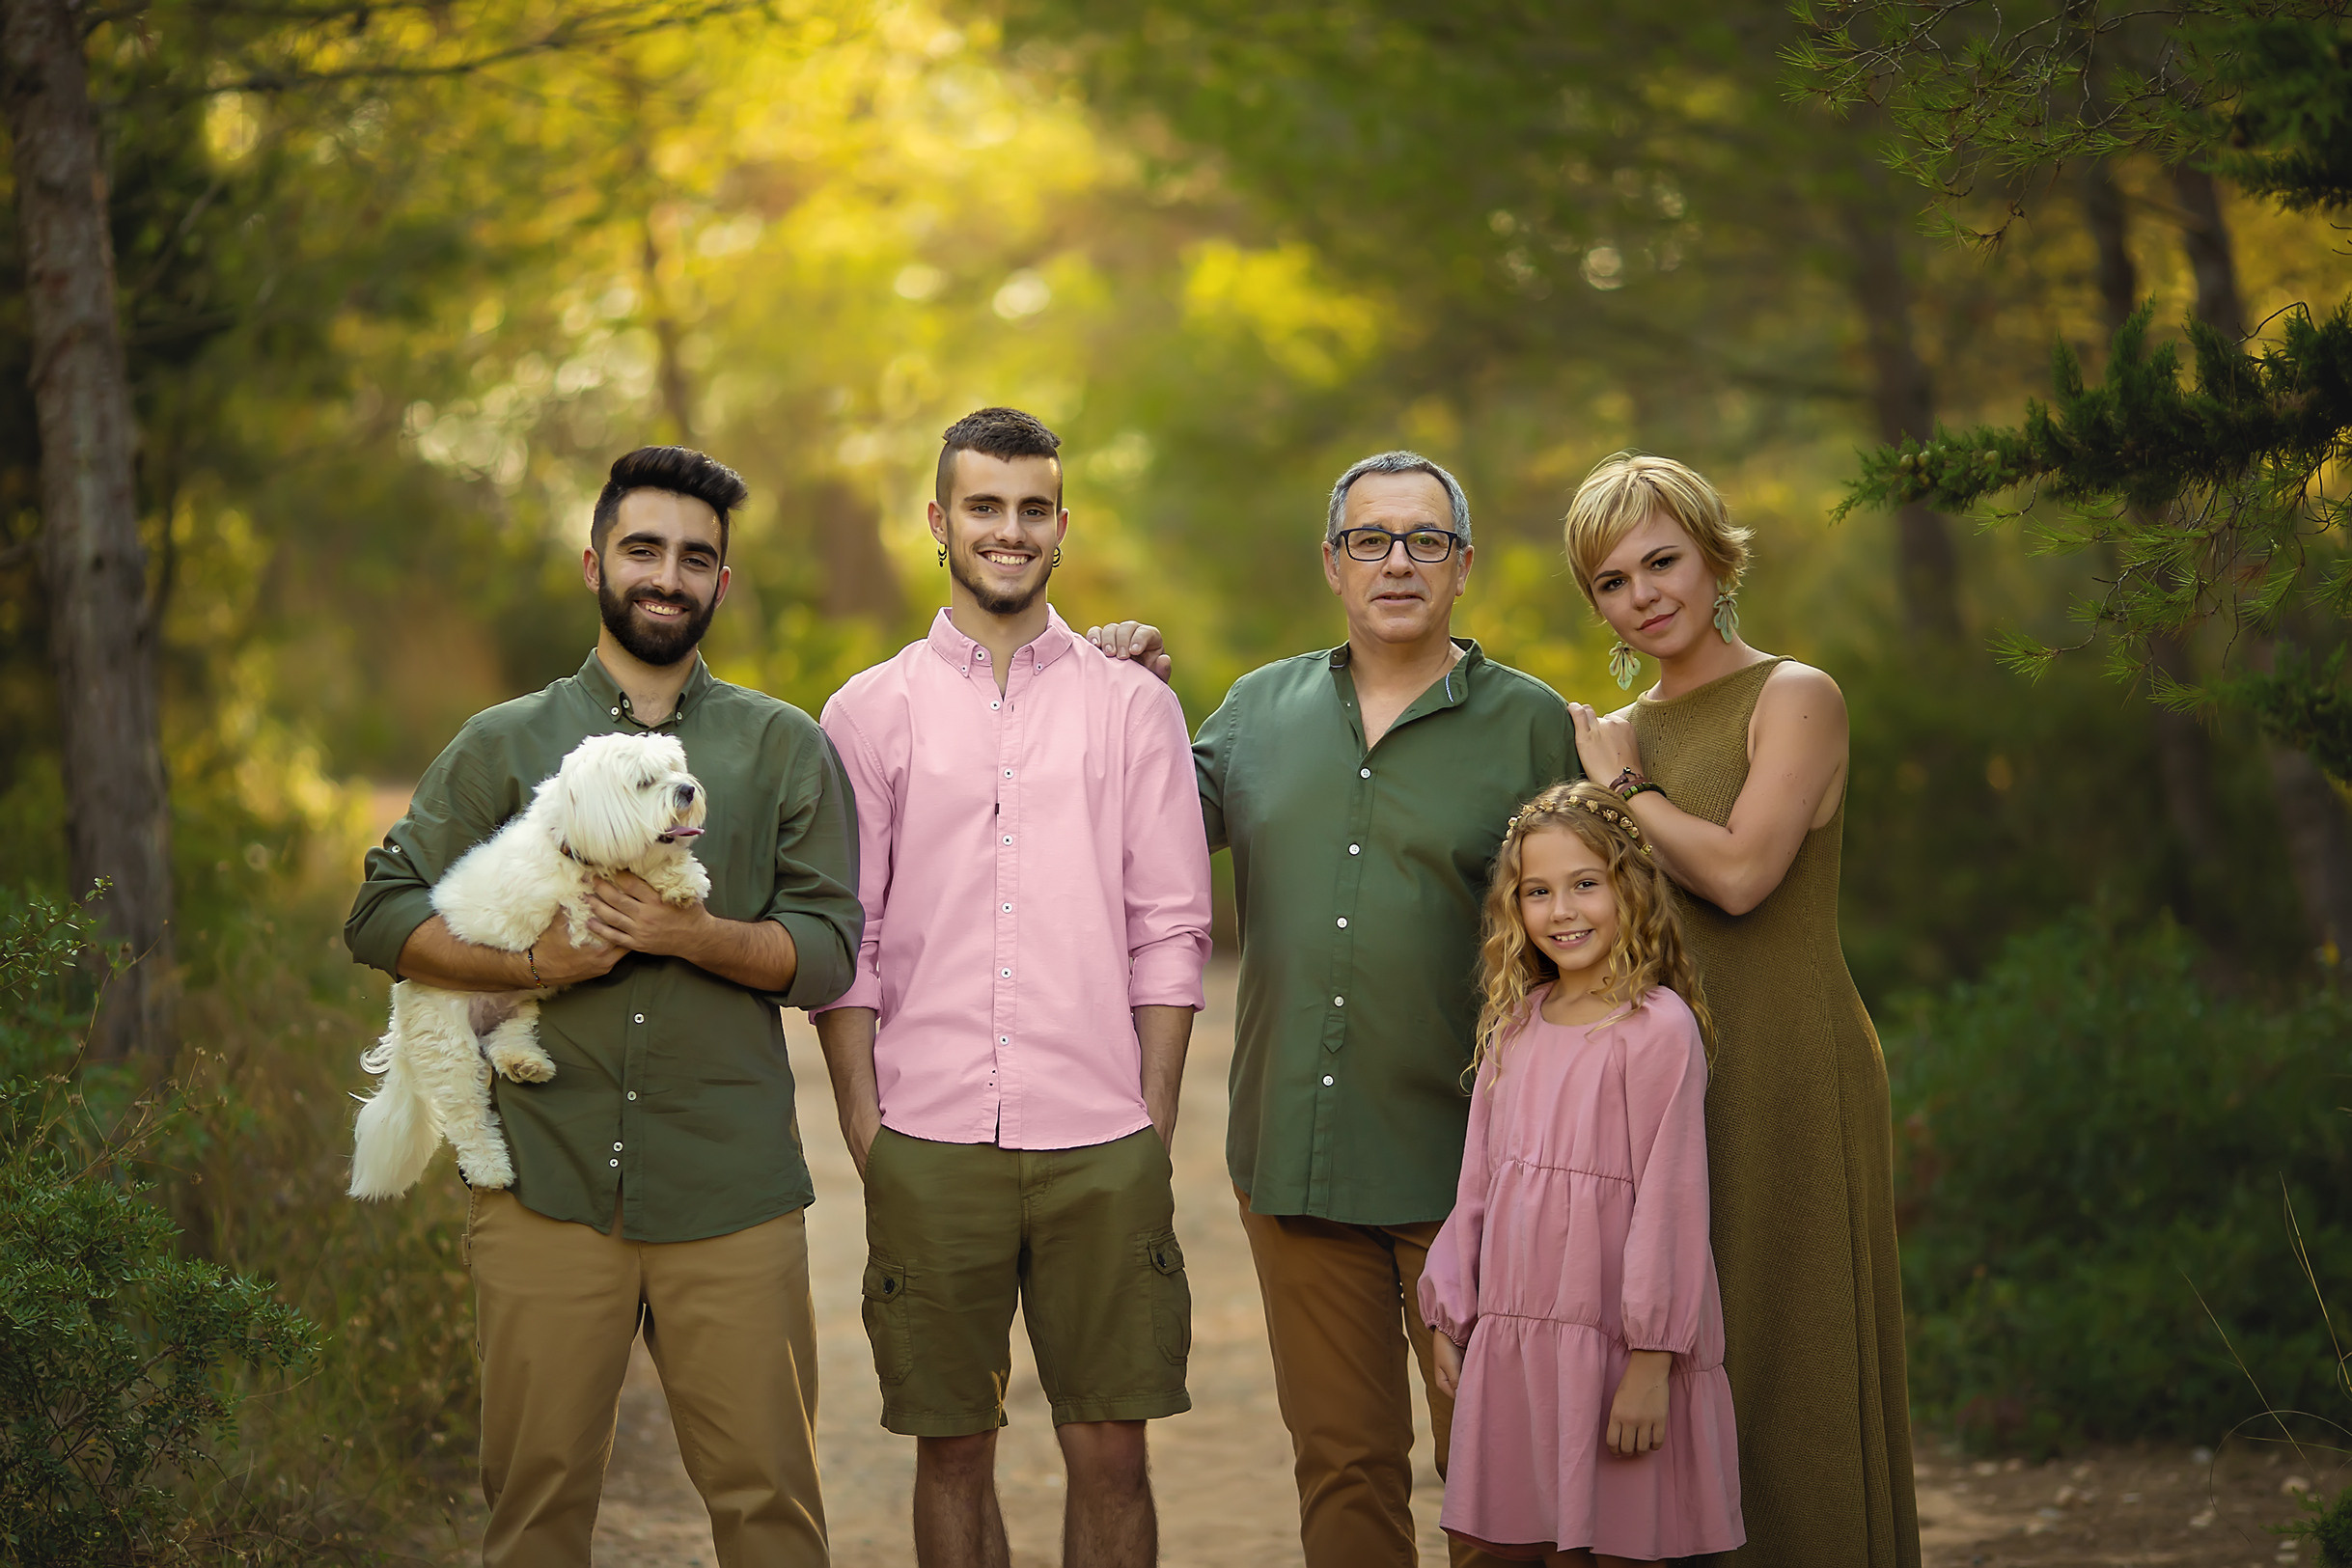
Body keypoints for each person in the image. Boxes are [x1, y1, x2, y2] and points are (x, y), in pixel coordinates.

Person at [344, 446, 861, 1568]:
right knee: (533, 1514)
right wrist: (532, 965)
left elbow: (826, 955)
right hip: (544, 1182)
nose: (666, 574)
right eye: (643, 548)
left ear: (722, 582)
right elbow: (380, 917)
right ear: (595, 562)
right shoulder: (501, 744)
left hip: (729, 1189)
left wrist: (696, 935)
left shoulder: (784, 746)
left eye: (695, 557)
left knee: (773, 1513)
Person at [812, 406, 1212, 1568]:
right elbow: (853, 931)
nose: (1009, 529)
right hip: (928, 1132)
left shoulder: (1134, 705)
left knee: (1111, 1453)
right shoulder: (867, 710)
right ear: (939, 521)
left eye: (1032, 508)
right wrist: (861, 1120)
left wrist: (1155, 1116)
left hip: (1102, 1135)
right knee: (951, 1451)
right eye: (983, 506)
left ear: (1061, 526)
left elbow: (1172, 926)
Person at [1173, 451, 1575, 1568]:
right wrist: (1098, 674)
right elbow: (1130, 820)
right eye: (1370, 538)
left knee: (1504, 1480)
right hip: (1295, 1158)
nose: (1396, 560)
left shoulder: (1533, 725)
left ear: (1462, 565)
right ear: (1331, 562)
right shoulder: (1256, 709)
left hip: (1474, 1170)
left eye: (1424, 539)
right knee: (1342, 1471)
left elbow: (1590, 946)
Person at [1560, 452, 1920, 1567]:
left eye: (1662, 560)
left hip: (1788, 1069)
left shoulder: (1794, 695)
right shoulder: (1616, 732)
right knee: (1667, 1358)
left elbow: (1741, 873)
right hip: (1663, 1087)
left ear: (1717, 555)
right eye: (1613, 581)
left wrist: (1621, 791)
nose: (1645, 594)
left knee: (1786, 1359)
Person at [1418, 781, 1743, 1566]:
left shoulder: (1655, 1028)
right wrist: (1450, 1306)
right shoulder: (1517, 1023)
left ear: (1628, 887)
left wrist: (1651, 1361)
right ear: (1514, 907)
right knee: (1525, 1544)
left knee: (1622, 1542)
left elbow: (1671, 1202)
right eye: (1537, 891)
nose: (1561, 910)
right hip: (1519, 1339)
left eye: (1584, 884)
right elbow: (1479, 1184)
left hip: (1618, 1352)